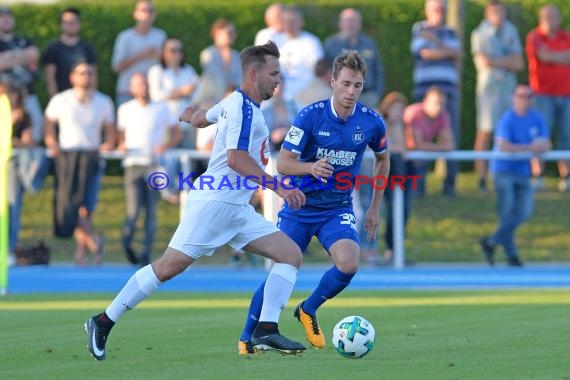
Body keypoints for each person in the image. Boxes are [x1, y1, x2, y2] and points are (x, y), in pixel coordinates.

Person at [84, 41, 307, 361]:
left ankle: (266, 329)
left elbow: (207, 116)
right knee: (167, 267)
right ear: (253, 73)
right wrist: (279, 188)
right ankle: (102, 321)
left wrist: (193, 117)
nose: (277, 81)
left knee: (289, 255)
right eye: (273, 74)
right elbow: (235, 159)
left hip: (237, 209)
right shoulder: (243, 110)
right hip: (215, 205)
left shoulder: (235, 101)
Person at [237, 50, 390, 353]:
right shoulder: (310, 115)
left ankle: (307, 309)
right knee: (282, 269)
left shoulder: (371, 122)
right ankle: (246, 337)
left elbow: (383, 160)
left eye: (357, 86)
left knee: (349, 262)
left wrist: (374, 208)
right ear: (333, 81)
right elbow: (284, 164)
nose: (351, 92)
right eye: (345, 84)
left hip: (336, 208)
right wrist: (310, 167)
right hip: (299, 207)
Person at [44, 62, 115, 265]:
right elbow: (49, 123)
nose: (86, 77)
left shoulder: (103, 101)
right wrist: (51, 142)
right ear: (72, 77)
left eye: (89, 73)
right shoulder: (61, 100)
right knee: (72, 203)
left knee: (86, 205)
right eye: (82, 73)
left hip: (91, 156)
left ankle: (83, 251)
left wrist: (108, 143)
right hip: (67, 156)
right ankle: (92, 243)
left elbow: (110, 129)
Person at [480, 84, 550, 267]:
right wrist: (529, 148)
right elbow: (504, 145)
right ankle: (512, 255)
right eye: (521, 96)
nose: (525, 100)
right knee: (507, 211)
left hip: (523, 172)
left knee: (523, 212)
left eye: (528, 96)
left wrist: (534, 149)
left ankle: (491, 242)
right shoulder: (507, 119)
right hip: (503, 170)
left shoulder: (537, 118)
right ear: (514, 98)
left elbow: (545, 143)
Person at [118, 73, 181, 266]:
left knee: (151, 213)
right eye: (138, 84)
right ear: (132, 88)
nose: (142, 87)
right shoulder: (125, 109)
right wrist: (120, 145)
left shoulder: (161, 107)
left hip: (154, 165)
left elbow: (176, 132)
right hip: (133, 164)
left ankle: (146, 252)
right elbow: (120, 136)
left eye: (144, 83)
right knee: (133, 211)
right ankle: (127, 243)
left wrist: (166, 145)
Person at [410, 0, 462, 196]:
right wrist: (446, 51)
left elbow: (458, 53)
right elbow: (424, 53)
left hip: (448, 92)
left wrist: (435, 41)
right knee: (418, 137)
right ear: (427, 10)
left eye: (442, 9)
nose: (439, 12)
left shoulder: (451, 31)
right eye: (436, 9)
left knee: (451, 135)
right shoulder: (419, 28)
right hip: (424, 91)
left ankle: (450, 184)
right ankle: (419, 184)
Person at [471, 0, 524, 192]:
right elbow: (484, 62)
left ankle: (505, 175)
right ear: (487, 15)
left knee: (507, 130)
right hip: (489, 89)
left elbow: (519, 63)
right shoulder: (479, 34)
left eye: (502, 13)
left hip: (508, 88)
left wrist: (496, 61)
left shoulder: (511, 31)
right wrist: (506, 61)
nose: (499, 18)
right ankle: (482, 178)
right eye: (495, 14)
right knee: (485, 131)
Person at [526, 4, 570, 192]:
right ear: (540, 19)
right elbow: (543, 56)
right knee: (540, 136)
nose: (551, 20)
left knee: (566, 136)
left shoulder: (565, 36)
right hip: (542, 94)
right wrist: (560, 56)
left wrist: (553, 56)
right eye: (547, 16)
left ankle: (566, 176)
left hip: (566, 94)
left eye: (554, 16)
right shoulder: (534, 37)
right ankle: (538, 175)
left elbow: (551, 56)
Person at [377, 92, 414, 263]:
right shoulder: (380, 125)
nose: (398, 112)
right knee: (387, 211)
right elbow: (387, 147)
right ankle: (383, 250)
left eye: (401, 109)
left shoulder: (406, 127)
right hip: (384, 176)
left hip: (403, 175)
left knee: (403, 210)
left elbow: (410, 147)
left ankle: (396, 250)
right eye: (395, 108)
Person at [324, 8, 384, 109]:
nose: (350, 24)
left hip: (367, 97)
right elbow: (325, 73)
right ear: (340, 24)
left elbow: (378, 69)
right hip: (341, 97)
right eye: (347, 21)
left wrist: (376, 94)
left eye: (354, 21)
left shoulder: (369, 43)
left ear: (360, 24)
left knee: (366, 124)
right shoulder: (331, 44)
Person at [1, 82, 33, 266]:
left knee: (12, 208)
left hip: (12, 166)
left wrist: (11, 141)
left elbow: (28, 141)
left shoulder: (23, 117)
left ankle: (9, 249)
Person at [111, 0, 166, 106]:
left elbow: (166, 64)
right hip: (127, 91)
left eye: (150, 11)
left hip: (154, 92)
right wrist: (141, 55)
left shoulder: (160, 36)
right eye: (143, 10)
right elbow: (116, 67)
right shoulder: (125, 37)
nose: (147, 14)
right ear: (135, 14)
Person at [0, 7, 43, 142]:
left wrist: (8, 56)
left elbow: (34, 54)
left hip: (27, 93)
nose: (6, 21)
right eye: (2, 18)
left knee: (35, 129)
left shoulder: (24, 40)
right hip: (4, 96)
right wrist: (21, 55)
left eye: (9, 17)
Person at [404, 86, 455, 196]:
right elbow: (417, 145)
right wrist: (440, 147)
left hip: (417, 157)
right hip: (401, 155)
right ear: (425, 101)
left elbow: (450, 145)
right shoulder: (414, 113)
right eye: (436, 103)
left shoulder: (443, 115)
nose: (439, 107)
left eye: (442, 104)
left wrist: (429, 147)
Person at [41, 7, 98, 98]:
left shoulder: (87, 48)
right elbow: (50, 78)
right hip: (63, 99)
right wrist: (55, 100)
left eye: (74, 21)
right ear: (61, 24)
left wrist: (92, 98)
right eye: (68, 22)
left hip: (84, 98)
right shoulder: (53, 49)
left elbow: (93, 74)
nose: (71, 25)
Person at [279, 5, 324, 102]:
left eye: (294, 21)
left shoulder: (311, 42)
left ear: (301, 22)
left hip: (307, 96)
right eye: (286, 21)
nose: (290, 24)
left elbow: (319, 71)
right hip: (281, 97)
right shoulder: (277, 41)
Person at [200, 19, 242, 97]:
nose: (233, 36)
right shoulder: (208, 53)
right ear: (217, 33)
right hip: (211, 98)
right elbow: (215, 77)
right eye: (229, 33)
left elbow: (240, 78)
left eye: (234, 33)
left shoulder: (236, 55)